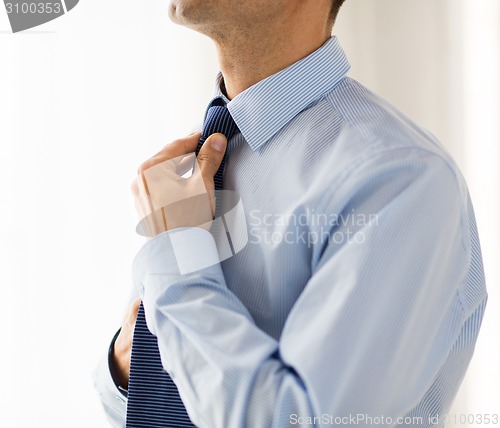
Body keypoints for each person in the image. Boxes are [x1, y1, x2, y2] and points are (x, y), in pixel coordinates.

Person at [94, 0, 488, 427]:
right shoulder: (200, 164)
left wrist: (176, 262)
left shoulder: (402, 178)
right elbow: (133, 398)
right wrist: (127, 365)